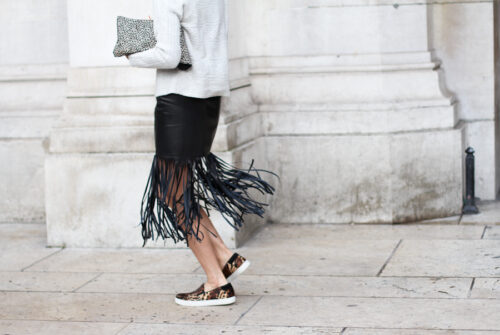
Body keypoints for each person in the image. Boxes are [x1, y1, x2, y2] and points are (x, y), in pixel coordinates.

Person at [125, 0, 276, 307]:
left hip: (179, 99)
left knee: (173, 194)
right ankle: (223, 257)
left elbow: (167, 55)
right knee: (179, 191)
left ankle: (216, 282)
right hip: (207, 97)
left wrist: (130, 51)